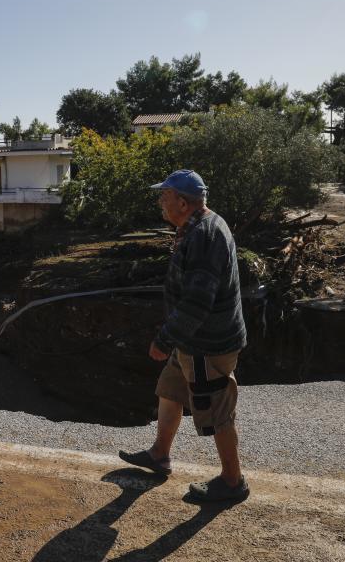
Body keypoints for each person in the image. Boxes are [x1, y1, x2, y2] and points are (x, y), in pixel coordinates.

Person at [119, 170, 249, 502]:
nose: (160, 202)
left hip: (207, 342)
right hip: (192, 340)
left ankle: (233, 482)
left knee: (216, 407)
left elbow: (196, 302)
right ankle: (160, 454)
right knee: (172, 389)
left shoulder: (204, 237)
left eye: (164, 196)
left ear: (182, 201)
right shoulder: (198, 226)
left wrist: (164, 339)